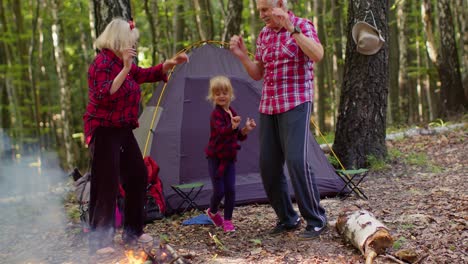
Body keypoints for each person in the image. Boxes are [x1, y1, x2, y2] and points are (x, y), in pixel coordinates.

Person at [83, 17, 188, 253]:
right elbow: (104, 94)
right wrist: (127, 68)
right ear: (119, 40)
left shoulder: (123, 63)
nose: (133, 45)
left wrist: (170, 63)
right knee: (106, 183)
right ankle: (100, 240)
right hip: (103, 130)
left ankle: (133, 231)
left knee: (138, 175)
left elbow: (147, 74)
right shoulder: (102, 63)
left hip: (122, 129)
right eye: (131, 41)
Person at [229, 0, 327, 239]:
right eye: (259, 10)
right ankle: (287, 218)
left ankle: (316, 219)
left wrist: (292, 29)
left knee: (295, 161)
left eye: (266, 9)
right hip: (269, 105)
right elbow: (258, 73)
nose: (261, 15)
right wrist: (242, 56)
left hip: (296, 102)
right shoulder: (264, 34)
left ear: (280, 4)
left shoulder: (302, 25)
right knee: (268, 165)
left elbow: (318, 54)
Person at [204, 76, 256, 232]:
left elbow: (237, 136)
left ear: (230, 94)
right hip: (216, 158)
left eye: (224, 92)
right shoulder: (216, 114)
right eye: (217, 93)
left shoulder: (232, 111)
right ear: (212, 96)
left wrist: (246, 129)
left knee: (230, 189)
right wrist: (233, 127)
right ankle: (212, 211)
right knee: (219, 191)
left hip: (229, 158)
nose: (221, 96)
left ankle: (228, 220)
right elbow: (221, 131)